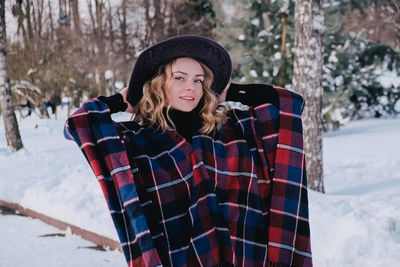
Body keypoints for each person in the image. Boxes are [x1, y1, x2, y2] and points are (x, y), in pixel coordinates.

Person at [64, 35, 312, 267]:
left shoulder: (233, 130)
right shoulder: (136, 140)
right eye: (180, 78)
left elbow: (288, 105)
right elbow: (79, 124)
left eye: (198, 80)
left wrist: (230, 90)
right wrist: (121, 100)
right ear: (159, 83)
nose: (191, 87)